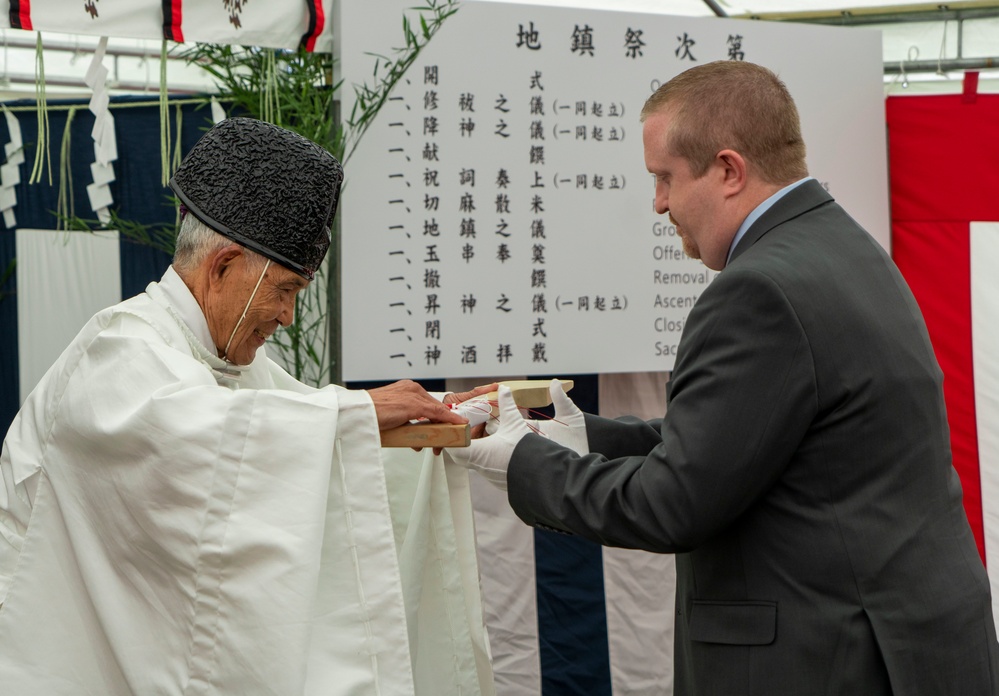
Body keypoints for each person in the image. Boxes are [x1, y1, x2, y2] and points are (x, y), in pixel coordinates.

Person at [447, 61, 999, 694]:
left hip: (828, 656)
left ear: (729, 170)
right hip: (900, 638)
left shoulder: (758, 290)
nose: (658, 204)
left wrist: (521, 461)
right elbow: (742, 437)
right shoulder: (840, 244)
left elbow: (672, 503)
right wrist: (578, 434)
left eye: (665, 178)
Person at [0, 117, 494, 695]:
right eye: (286, 290)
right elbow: (208, 437)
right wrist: (356, 416)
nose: (287, 317)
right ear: (223, 265)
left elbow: (295, 415)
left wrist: (425, 417)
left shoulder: (223, 358)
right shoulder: (118, 353)